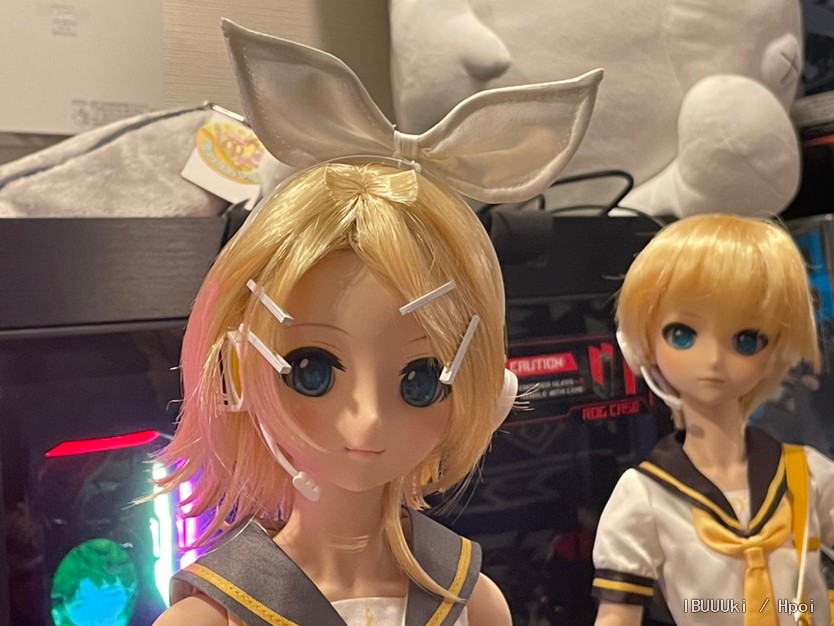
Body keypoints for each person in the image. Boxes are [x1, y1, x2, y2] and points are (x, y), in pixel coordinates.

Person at [152, 19, 603, 626]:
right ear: (234, 368)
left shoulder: (472, 600)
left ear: (488, 389)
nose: (366, 418)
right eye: (310, 371)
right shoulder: (214, 616)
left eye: (421, 379)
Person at [592, 213, 834, 626]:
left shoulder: (808, 474)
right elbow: (617, 616)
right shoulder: (644, 496)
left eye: (746, 339)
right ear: (643, 343)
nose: (714, 360)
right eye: (682, 334)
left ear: (777, 348)